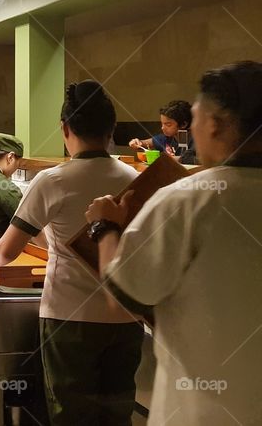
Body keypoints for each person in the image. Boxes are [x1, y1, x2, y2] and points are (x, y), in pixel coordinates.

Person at [85, 61, 262, 425]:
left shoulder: (188, 200)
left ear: (213, 124)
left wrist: (105, 226)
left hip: (198, 413)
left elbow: (122, 301)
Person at [0, 80, 142, 425]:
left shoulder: (54, 180)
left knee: (71, 413)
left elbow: (6, 251)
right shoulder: (133, 177)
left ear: (65, 128)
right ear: (111, 131)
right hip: (126, 318)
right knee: (117, 413)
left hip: (70, 318)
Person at [128, 99, 194, 158]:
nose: (162, 128)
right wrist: (137, 142)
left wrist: (179, 160)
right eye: (162, 123)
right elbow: (144, 143)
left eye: (168, 124)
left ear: (183, 124)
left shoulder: (197, 141)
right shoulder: (166, 138)